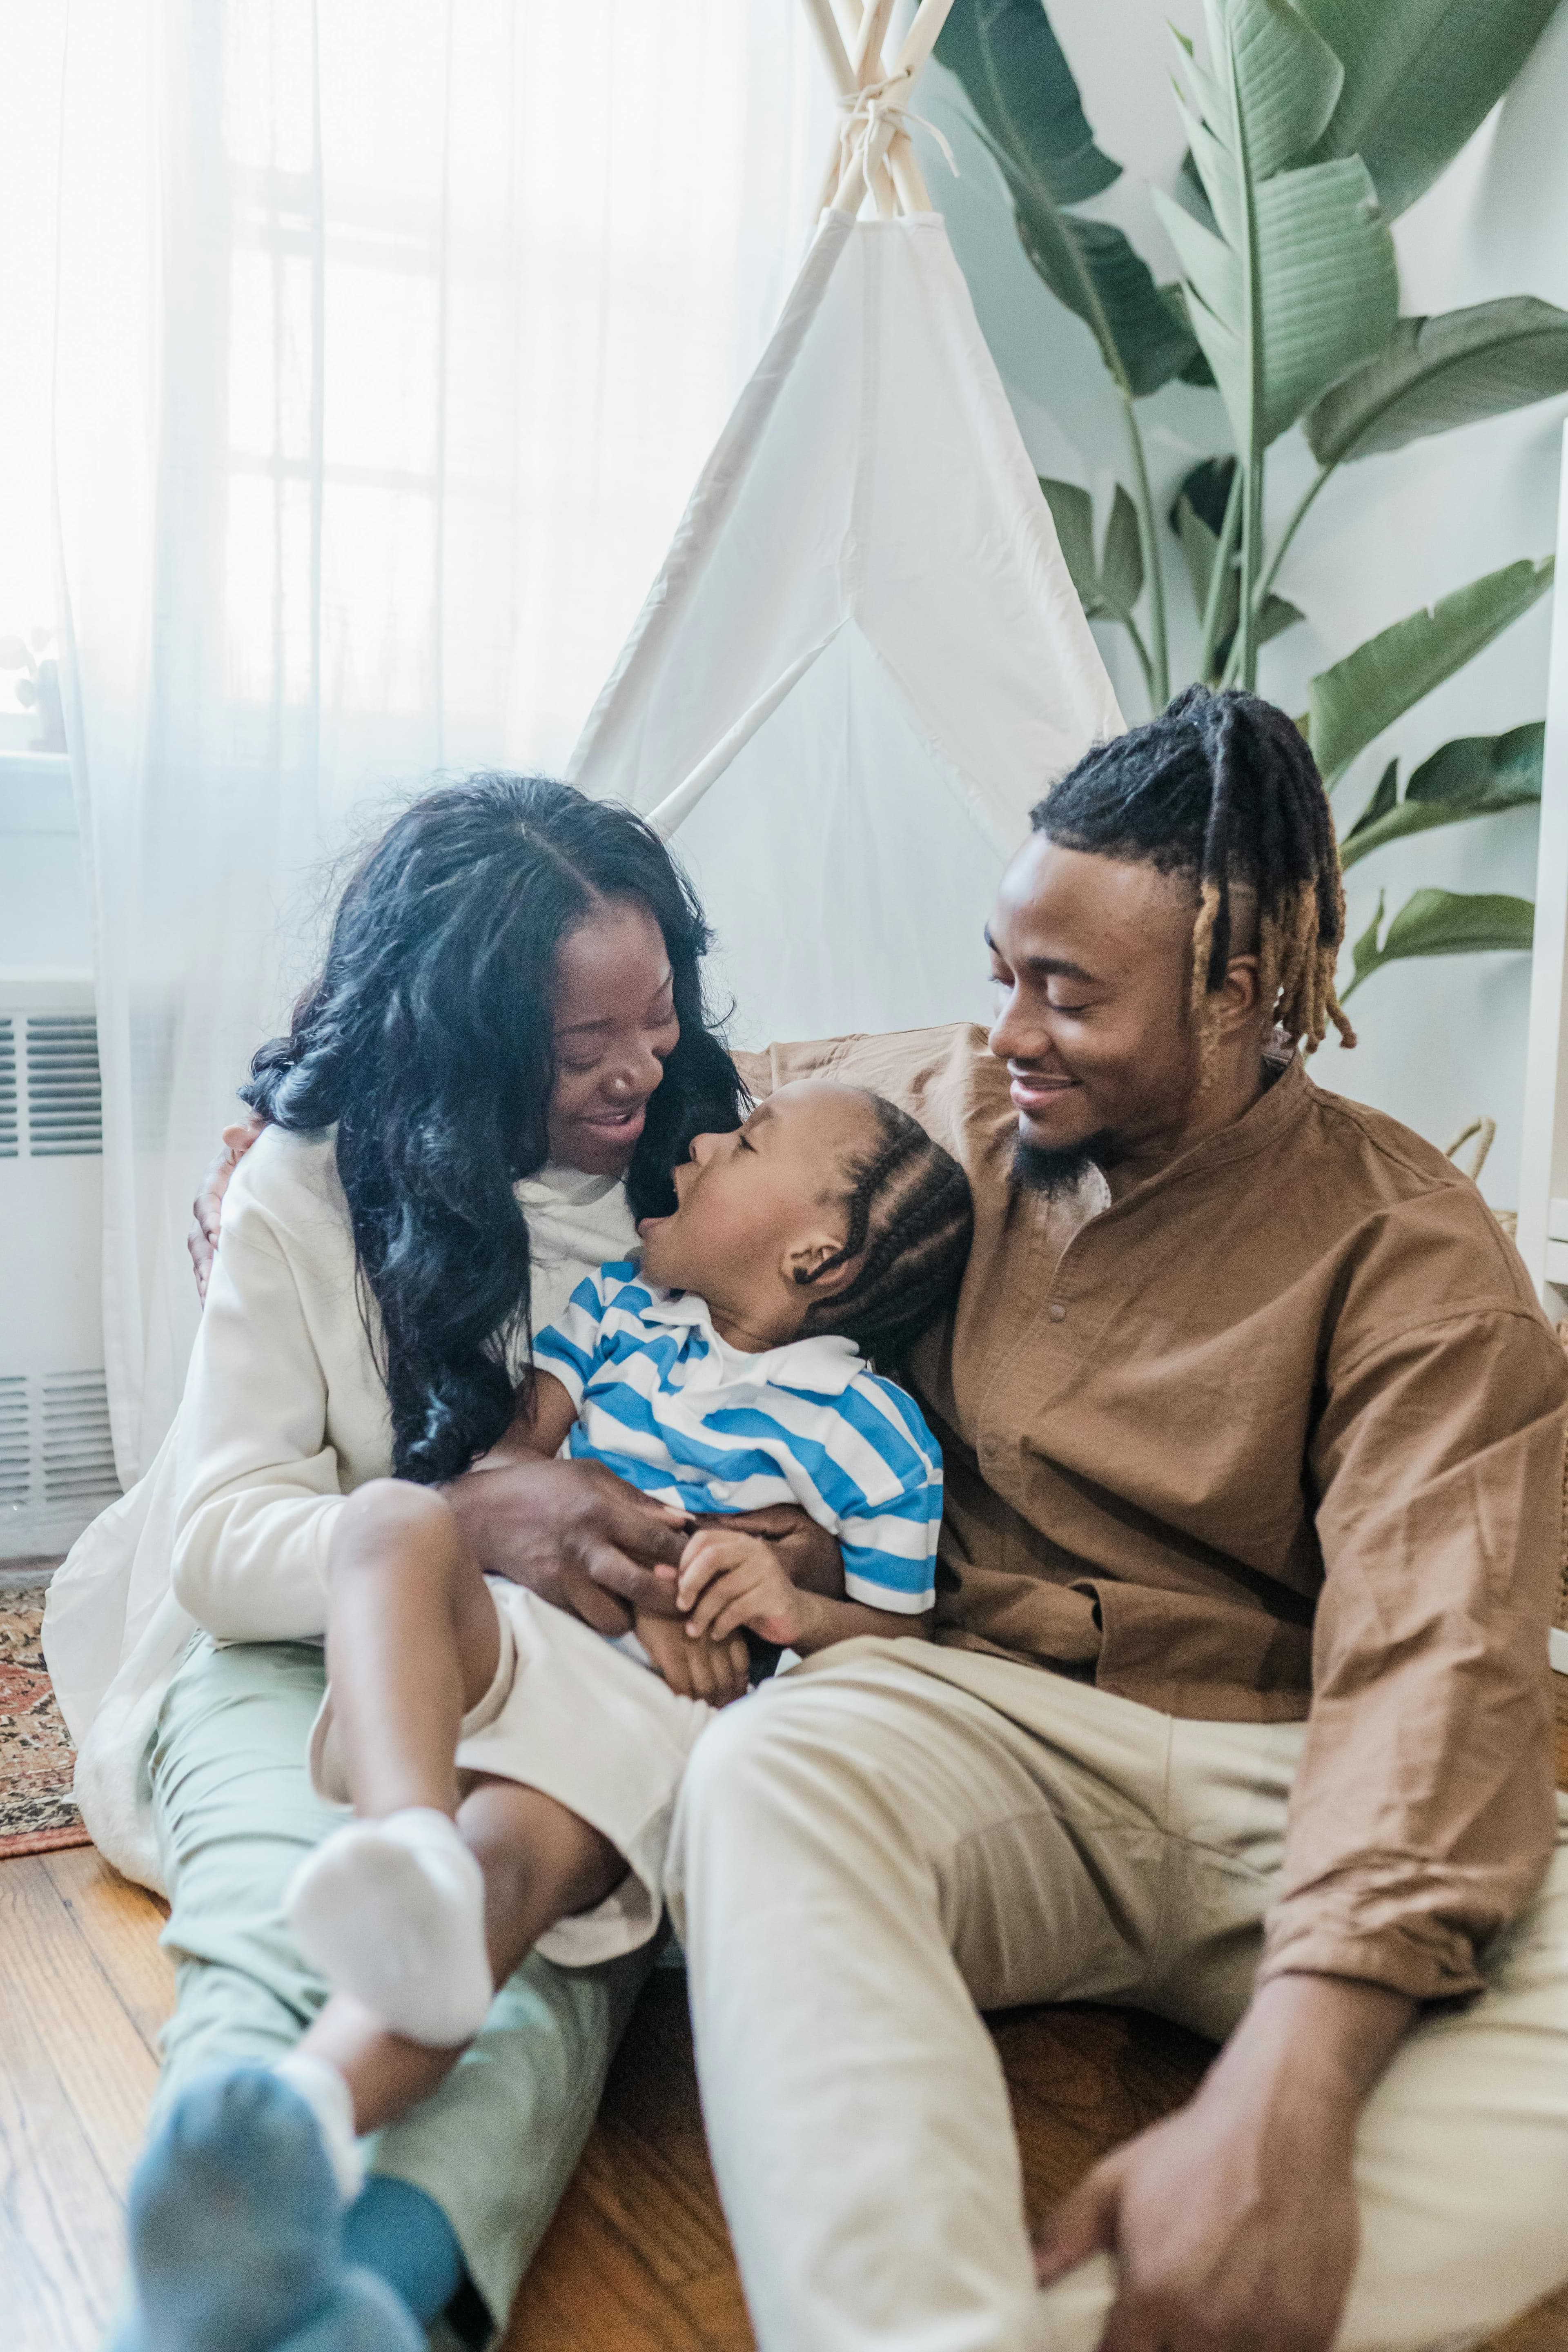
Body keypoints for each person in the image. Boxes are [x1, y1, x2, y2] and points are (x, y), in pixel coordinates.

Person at [189, 688, 1568, 2352]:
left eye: (1068, 995)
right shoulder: (955, 1105)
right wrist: (322, 1129)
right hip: (980, 1729)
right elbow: (658, 1084)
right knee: (765, 1775)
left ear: (1241, 990)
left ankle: (1088, 2312)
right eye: (1001, 972)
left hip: (1291, 1764)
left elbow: (1440, 1674)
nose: (1009, 1032)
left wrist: (1291, 2080)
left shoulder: (1416, 1262)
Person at [48, 772, 844, 2352]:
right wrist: (475, 1520)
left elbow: (820, 1444)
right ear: (463, 1041)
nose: (638, 1074)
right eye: (578, 1049)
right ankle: (208, 2262)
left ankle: (363, 2307)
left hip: (587, 1694)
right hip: (307, 1645)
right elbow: (219, 1539)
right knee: (292, 1920)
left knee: (540, 1982)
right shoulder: (309, 1184)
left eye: (660, 1017)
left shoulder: (710, 1188)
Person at [275, 1080, 967, 2172]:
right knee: (387, 1523)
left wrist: (790, 1606)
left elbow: (902, 1643)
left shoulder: (874, 1436)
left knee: (493, 1890)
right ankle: (403, 1840)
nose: (697, 1143)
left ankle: (307, 2109)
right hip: (512, 1623)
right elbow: (504, 1468)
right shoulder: (616, 1308)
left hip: (646, 1706)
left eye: (744, 1146)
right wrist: (596, 1503)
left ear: (814, 1256)